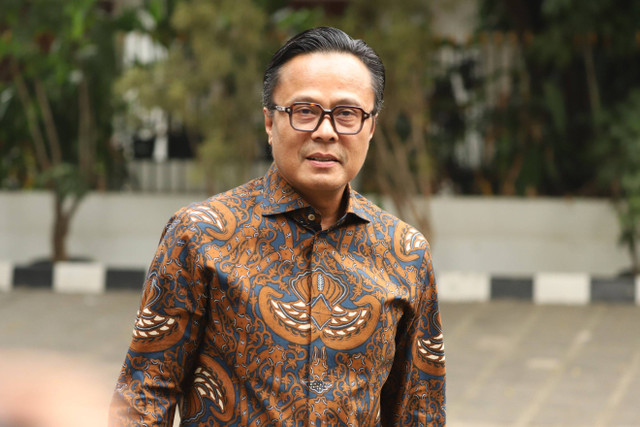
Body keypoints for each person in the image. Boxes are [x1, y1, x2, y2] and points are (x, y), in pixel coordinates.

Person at [109, 26, 445, 426]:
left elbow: (420, 411)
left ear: (370, 126)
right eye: (304, 111)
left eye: (347, 114)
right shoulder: (200, 235)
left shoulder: (405, 252)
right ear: (270, 122)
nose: (326, 131)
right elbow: (144, 397)